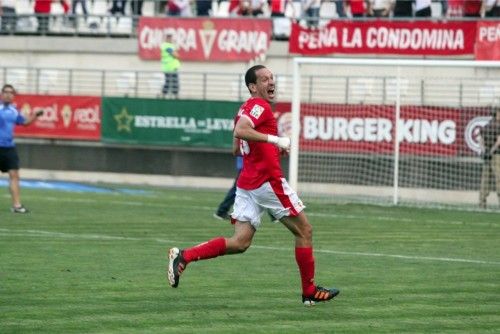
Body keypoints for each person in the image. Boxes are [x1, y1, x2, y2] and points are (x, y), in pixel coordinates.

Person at [168, 65, 340, 306]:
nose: (271, 82)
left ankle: (184, 256)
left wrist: (269, 148)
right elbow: (241, 131)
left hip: (248, 183)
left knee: (240, 243)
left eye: (272, 77)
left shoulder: (246, 108)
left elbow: (236, 146)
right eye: (265, 79)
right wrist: (275, 139)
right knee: (305, 231)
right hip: (267, 182)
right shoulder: (260, 107)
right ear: (253, 87)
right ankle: (309, 291)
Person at [0, 84, 44, 213]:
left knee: (14, 175)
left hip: (9, 148)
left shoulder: (14, 111)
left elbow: (24, 122)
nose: (8, 94)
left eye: (11, 93)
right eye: (6, 92)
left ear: (13, 96)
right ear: (2, 94)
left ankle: (17, 206)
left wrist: (35, 115)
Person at [479, 107, 500, 209]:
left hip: (487, 155)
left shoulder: (486, 126)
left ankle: (482, 203)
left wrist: (484, 151)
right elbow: (499, 142)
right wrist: (491, 151)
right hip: (496, 155)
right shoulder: (498, 126)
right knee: (498, 179)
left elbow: (481, 140)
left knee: (485, 180)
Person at [161, 32, 180, 98]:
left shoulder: (170, 45)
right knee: (169, 82)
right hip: (169, 68)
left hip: (172, 67)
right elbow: (175, 55)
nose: (170, 38)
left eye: (170, 37)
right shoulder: (166, 45)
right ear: (166, 38)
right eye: (168, 37)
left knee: (174, 82)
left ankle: (174, 95)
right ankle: (164, 94)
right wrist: (176, 53)